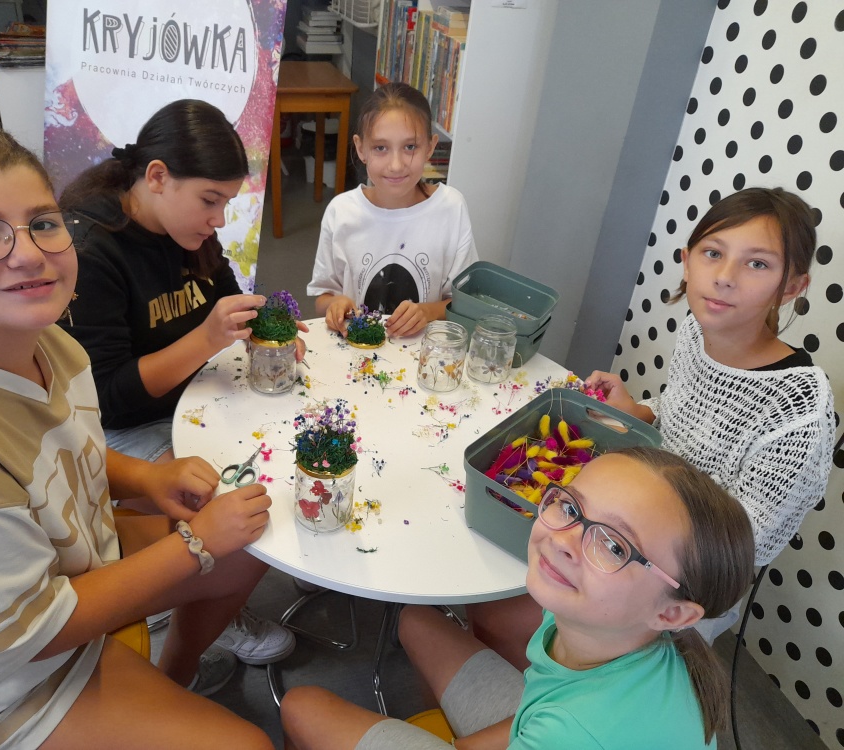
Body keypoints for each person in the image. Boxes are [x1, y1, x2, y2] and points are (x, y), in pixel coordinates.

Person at [0, 123, 275, 749]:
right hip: (0, 692)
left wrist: (147, 476)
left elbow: (61, 448)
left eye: (43, 223)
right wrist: (195, 546)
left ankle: (172, 682)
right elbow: (28, 635)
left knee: (251, 547)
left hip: (67, 560)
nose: (28, 254)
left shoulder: (42, 338)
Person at [468, 187, 836, 668]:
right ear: (687, 260)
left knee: (498, 619)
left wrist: (626, 530)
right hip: (619, 524)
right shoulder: (697, 328)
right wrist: (638, 411)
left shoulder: (801, 409)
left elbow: (745, 547)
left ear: (790, 287)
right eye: (713, 253)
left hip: (676, 581)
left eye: (757, 264)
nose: (724, 277)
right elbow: (681, 409)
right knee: (496, 587)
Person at [281, 447, 756, 750]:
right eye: (569, 507)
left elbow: (557, 726)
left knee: (301, 706)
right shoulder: (604, 627)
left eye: (615, 546)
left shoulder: (577, 730)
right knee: (416, 622)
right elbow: (536, 711)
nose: (564, 539)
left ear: (672, 612)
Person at [57, 99, 298, 668]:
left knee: (286, 449)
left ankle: (203, 586)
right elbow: (108, 398)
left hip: (188, 398)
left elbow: (229, 300)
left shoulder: (187, 231)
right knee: (236, 508)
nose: (219, 220)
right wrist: (207, 338)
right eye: (210, 201)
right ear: (158, 176)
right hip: (119, 431)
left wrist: (270, 332)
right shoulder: (90, 250)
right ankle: (201, 608)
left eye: (226, 203)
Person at [308, 82, 478, 338]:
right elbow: (322, 298)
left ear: (430, 147)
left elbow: (465, 303)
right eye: (381, 148)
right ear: (361, 148)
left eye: (410, 147)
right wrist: (336, 304)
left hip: (426, 354)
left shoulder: (451, 208)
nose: (396, 165)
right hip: (356, 352)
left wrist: (428, 311)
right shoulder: (340, 212)